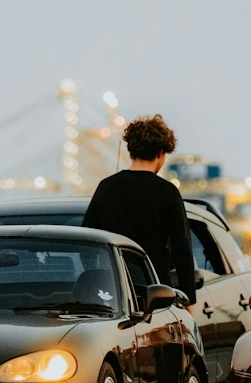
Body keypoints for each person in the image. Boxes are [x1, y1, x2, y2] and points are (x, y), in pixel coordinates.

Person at [81, 114, 196, 306]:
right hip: (157, 292)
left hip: (113, 293)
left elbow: (88, 242)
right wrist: (188, 300)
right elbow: (182, 251)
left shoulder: (106, 188)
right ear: (160, 153)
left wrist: (99, 280)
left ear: (131, 150)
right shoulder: (167, 192)